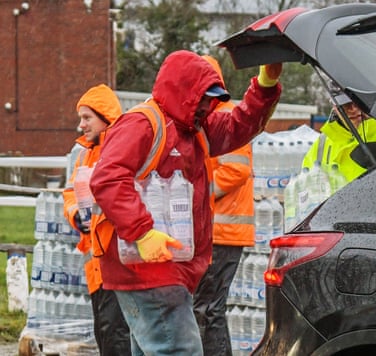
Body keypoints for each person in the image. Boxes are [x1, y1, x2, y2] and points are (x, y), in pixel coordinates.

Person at [88, 50, 282, 355]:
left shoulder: (194, 129)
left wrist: (265, 84)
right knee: (181, 349)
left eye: (212, 98)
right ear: (183, 91)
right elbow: (108, 178)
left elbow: (239, 125)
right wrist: (142, 232)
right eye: (204, 97)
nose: (208, 105)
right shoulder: (143, 124)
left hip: (160, 267)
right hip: (147, 267)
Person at [62, 84, 131, 356]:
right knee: (105, 331)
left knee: (117, 333)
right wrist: (76, 215)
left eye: (87, 117)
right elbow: (70, 193)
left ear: (105, 118)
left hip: (119, 261)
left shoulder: (121, 151)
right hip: (97, 264)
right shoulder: (85, 154)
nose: (81, 125)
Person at [193, 55, 255, 356]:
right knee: (205, 309)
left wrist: (197, 195)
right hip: (215, 231)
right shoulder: (206, 120)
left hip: (224, 232)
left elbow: (236, 170)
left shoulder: (226, 117)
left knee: (207, 309)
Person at [302, 87, 376, 182]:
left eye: (359, 103)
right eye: (346, 105)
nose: (354, 110)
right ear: (334, 106)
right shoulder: (319, 147)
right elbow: (304, 193)